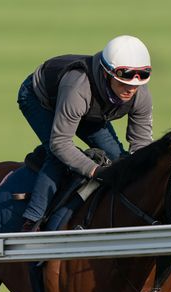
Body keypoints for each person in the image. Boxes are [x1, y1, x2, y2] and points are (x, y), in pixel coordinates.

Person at [17, 35, 154, 231]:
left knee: (118, 158)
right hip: (40, 99)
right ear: (107, 74)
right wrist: (96, 171)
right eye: (123, 82)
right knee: (57, 158)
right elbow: (61, 143)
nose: (130, 90)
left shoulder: (140, 95)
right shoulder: (78, 86)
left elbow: (141, 146)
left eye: (136, 84)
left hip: (88, 111)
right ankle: (32, 221)